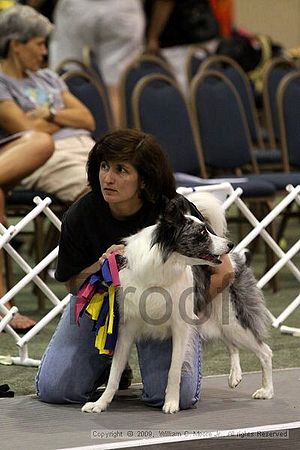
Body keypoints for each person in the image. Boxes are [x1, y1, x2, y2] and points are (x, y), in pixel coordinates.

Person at [36, 128, 234, 408]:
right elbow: (71, 284)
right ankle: (105, 364)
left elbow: (224, 271)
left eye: (121, 170)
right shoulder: (80, 215)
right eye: (104, 166)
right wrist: (101, 266)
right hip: (100, 308)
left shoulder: (173, 211)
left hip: (162, 311)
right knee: (56, 389)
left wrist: (185, 311)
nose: (108, 178)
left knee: (173, 397)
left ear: (144, 179)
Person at [0, 5, 96, 205]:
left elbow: (87, 119)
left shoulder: (48, 77)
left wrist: (50, 114)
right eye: (39, 44)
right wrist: (69, 120)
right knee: (104, 192)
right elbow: (30, 133)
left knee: (135, 183)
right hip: (47, 157)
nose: (44, 52)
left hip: (87, 147)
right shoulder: (2, 83)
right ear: (16, 45)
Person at [50, 0, 145, 126]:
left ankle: (67, 138)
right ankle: (117, 142)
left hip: (77, 8)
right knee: (115, 89)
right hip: (122, 9)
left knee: (67, 78)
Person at [144, 0, 220, 91]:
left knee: (186, 94)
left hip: (181, 41)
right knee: (207, 90)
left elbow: (165, 2)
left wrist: (152, 37)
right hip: (204, 30)